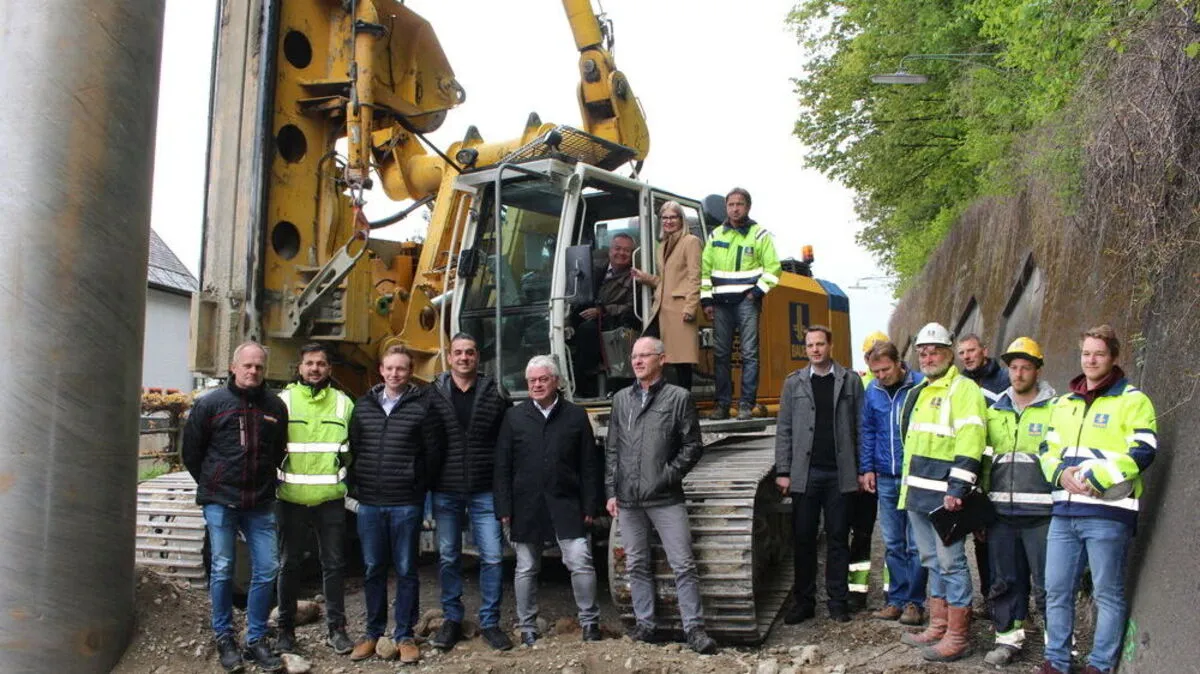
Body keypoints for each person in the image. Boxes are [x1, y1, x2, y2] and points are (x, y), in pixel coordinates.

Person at [1036, 326, 1157, 674]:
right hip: (1064, 512)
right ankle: (1057, 661)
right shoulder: (1064, 403)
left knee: (1107, 594)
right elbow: (1046, 448)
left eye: (1099, 354)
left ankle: (1100, 665)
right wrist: (1060, 473)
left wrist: (1098, 477)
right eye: (1086, 353)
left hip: (1109, 513)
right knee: (1056, 590)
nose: (1091, 360)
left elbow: (1144, 449)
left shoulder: (1133, 400)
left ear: (1114, 357)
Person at [605, 336, 717, 654]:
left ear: (662, 359)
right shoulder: (621, 400)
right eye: (634, 357)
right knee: (637, 564)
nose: (638, 361)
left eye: (645, 356)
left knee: (683, 564)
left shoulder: (678, 398)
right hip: (629, 500)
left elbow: (692, 446)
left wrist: (666, 476)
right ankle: (646, 625)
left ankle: (694, 629)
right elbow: (613, 450)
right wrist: (611, 490)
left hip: (666, 498)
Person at [182, 342, 288, 673]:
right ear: (233, 367)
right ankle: (225, 637)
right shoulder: (210, 404)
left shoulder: (275, 407)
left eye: (259, 366)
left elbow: (278, 449)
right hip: (221, 501)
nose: (253, 371)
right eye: (247, 365)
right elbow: (192, 452)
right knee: (223, 567)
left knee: (268, 567)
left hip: (260, 502)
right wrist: (214, 483)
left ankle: (255, 639)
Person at [494, 355, 604, 646]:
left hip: (566, 503)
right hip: (525, 506)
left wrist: (590, 506)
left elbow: (589, 465)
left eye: (543, 379)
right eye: (532, 381)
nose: (537, 385)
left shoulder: (575, 416)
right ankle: (528, 626)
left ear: (556, 381)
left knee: (580, 561)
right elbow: (502, 467)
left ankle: (590, 623)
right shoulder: (514, 417)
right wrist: (503, 507)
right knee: (526, 567)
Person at [347, 345, 445, 665]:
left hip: (405, 502)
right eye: (389, 368)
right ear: (381, 370)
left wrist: (417, 485)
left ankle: (404, 634)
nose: (394, 374)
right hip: (370, 503)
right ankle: (373, 633)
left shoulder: (423, 407)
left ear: (410, 371)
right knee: (373, 568)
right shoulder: (364, 407)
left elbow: (433, 453)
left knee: (406, 569)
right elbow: (355, 448)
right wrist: (359, 487)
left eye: (401, 368)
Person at [897, 322, 988, 663]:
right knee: (932, 561)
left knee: (951, 563)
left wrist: (959, 488)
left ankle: (958, 636)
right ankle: (939, 625)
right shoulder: (919, 391)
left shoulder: (963, 389)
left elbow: (971, 440)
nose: (928, 357)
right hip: (919, 493)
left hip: (946, 497)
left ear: (949, 354)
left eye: (934, 351)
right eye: (922, 353)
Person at [426, 333, 513, 652]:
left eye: (470, 352)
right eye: (459, 352)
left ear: (478, 357)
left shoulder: (495, 393)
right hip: (446, 489)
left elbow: (506, 442)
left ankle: (490, 622)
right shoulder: (433, 393)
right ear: (449, 357)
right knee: (449, 556)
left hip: (484, 488)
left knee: (492, 557)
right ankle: (452, 619)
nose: (464, 357)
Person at [775, 326, 864, 624]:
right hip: (806, 473)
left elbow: (860, 426)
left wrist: (862, 469)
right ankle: (804, 602)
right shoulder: (794, 383)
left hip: (840, 474)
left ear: (830, 345)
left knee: (838, 538)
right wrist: (784, 470)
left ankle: (837, 601)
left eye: (820, 344)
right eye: (810, 345)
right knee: (803, 538)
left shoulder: (850, 381)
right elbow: (784, 429)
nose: (815, 349)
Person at [274, 343, 355, 656]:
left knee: (333, 565)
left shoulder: (343, 403)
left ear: (329, 369)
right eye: (309, 363)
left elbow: (353, 450)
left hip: (330, 500)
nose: (315, 369)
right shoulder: (283, 402)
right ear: (300, 367)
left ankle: (337, 630)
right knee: (289, 564)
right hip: (290, 499)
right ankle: (285, 631)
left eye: (321, 363)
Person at [981, 337, 1056, 667]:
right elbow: (985, 464)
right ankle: (1008, 640)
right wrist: (982, 511)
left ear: (1037, 370)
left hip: (1043, 515)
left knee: (1049, 584)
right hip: (1001, 515)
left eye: (1026, 367)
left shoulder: (1057, 410)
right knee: (1004, 582)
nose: (1019, 373)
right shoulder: (994, 412)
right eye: (1013, 367)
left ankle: (1058, 648)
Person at [858, 340, 927, 626]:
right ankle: (896, 601)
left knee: (916, 544)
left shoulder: (920, 386)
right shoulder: (872, 391)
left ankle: (915, 602)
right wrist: (867, 468)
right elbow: (868, 430)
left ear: (899, 362)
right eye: (875, 372)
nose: (881, 376)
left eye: (885, 369)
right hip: (886, 476)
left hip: (915, 476)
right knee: (893, 542)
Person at [700, 187, 781, 420]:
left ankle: (746, 404)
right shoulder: (715, 235)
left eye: (739, 204)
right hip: (721, 304)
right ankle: (722, 405)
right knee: (721, 355)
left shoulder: (759, 234)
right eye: (731, 204)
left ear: (748, 207)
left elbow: (774, 269)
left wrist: (755, 294)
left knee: (749, 354)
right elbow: (705, 272)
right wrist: (706, 300)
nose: (735, 209)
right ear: (726, 207)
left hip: (747, 302)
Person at [956, 332, 1008, 616]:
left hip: (999, 470)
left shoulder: (1003, 380)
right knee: (981, 537)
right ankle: (988, 597)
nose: (967, 356)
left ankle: (1010, 601)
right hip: (974, 471)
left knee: (1003, 538)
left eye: (971, 350)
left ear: (984, 351)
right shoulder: (960, 383)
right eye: (962, 352)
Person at [631, 200, 702, 390]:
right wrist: (646, 278)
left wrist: (690, 307)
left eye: (673, 217)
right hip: (661, 309)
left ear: (681, 219)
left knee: (681, 362)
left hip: (680, 309)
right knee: (648, 350)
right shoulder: (662, 246)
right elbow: (666, 281)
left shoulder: (691, 242)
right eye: (664, 218)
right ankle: (651, 394)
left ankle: (685, 401)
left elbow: (695, 277)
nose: (668, 221)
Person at [846, 331, 889, 611]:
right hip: (868, 472)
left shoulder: (896, 385)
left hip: (884, 472)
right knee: (862, 534)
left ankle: (891, 594)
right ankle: (858, 591)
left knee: (891, 538)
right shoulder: (861, 385)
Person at [571, 232, 638, 396]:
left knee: (587, 330)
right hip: (589, 316)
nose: (621, 253)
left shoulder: (634, 277)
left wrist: (603, 311)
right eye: (617, 248)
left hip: (614, 325)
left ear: (633, 255)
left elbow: (631, 307)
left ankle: (585, 385)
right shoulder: (594, 269)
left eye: (626, 250)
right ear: (609, 251)